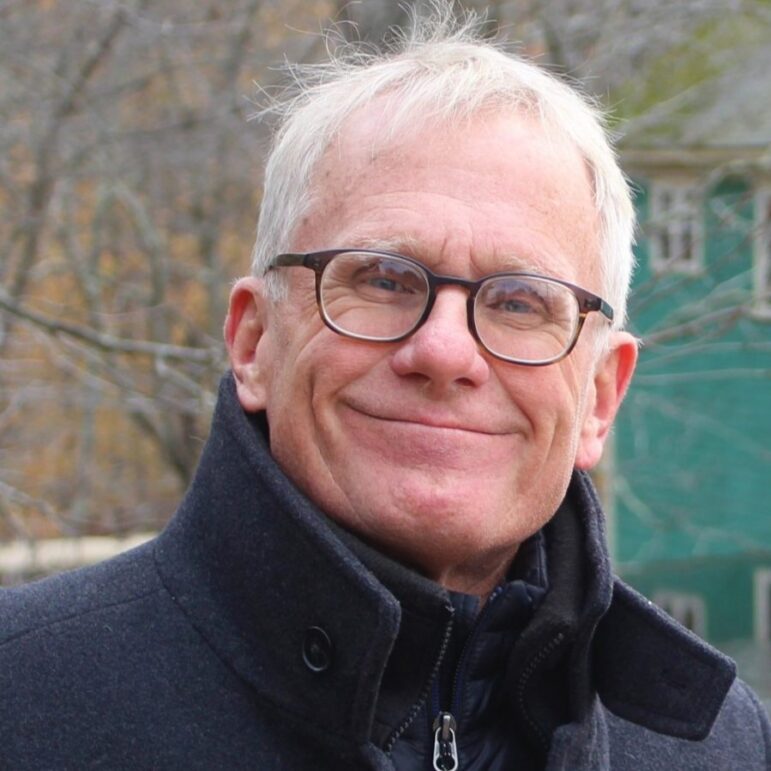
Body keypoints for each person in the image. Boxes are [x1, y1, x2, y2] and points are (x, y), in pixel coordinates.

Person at [1, 6, 769, 770]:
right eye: (383, 278)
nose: (443, 350)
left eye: (517, 302)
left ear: (600, 397)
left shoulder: (719, 746)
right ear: (253, 339)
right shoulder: (24, 698)